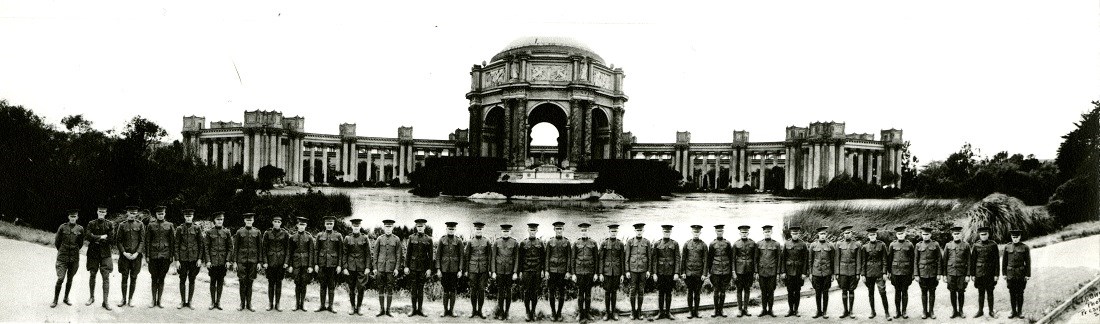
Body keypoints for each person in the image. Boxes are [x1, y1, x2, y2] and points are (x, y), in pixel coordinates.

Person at [52, 209, 84, 308]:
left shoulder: (80, 229)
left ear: (77, 217)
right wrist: (62, 250)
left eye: (75, 217)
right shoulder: (62, 227)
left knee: (70, 279)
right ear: (68, 217)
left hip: (74, 258)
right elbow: (57, 242)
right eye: (71, 216)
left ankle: (66, 298)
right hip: (62, 257)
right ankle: (55, 300)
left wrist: (74, 250)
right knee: (60, 278)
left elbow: (80, 243)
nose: (73, 218)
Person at [84, 205, 113, 310]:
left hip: (105, 254)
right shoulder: (91, 223)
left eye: (103, 212)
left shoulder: (110, 224)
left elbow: (111, 239)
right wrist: (101, 237)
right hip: (93, 253)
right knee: (92, 274)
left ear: (106, 213)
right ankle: (91, 297)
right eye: (100, 211)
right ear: (97, 212)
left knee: (106, 276)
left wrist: (95, 238)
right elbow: (87, 236)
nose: (101, 213)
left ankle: (105, 301)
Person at [145, 205, 175, 308]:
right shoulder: (150, 226)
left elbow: (172, 242)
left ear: (165, 214)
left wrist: (171, 256)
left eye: (162, 214)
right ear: (156, 215)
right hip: (153, 256)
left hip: (165, 256)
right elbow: (147, 241)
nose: (160, 216)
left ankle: (160, 300)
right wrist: (147, 256)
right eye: (159, 214)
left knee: (162, 278)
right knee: (154, 278)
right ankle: (153, 300)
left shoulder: (170, 225)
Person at [372, 219, 403, 317]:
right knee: (380, 288)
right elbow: (375, 254)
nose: (388, 229)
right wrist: (375, 267)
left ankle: (388, 310)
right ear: (384, 228)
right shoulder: (379, 239)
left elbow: (399, 255)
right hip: (380, 268)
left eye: (390, 227)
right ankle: (381, 310)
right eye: (386, 227)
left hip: (391, 269)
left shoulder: (396, 239)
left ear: (392, 228)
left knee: (390, 288)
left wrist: (397, 269)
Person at [174, 209, 204, 309]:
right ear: (184, 217)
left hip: (194, 259)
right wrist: (177, 260)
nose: (188, 218)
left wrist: (200, 258)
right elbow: (176, 245)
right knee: (182, 279)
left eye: (190, 216)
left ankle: (190, 301)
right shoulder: (179, 229)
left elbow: (201, 244)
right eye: (186, 216)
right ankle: (182, 301)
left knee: (192, 279)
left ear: (192, 217)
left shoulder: (197, 228)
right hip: (182, 259)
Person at [116, 206, 144, 308]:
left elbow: (142, 240)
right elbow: (118, 241)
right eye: (131, 213)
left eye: (135, 213)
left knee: (133, 277)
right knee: (124, 277)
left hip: (136, 257)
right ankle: (123, 299)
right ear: (127, 213)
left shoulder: (140, 224)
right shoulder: (122, 225)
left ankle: (130, 299)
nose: (133, 215)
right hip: (125, 257)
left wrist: (137, 253)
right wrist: (124, 253)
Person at [203, 211, 232, 310]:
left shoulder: (227, 232)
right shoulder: (209, 232)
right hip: (213, 261)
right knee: (212, 282)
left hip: (223, 262)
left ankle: (218, 302)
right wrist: (208, 261)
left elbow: (230, 248)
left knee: (220, 282)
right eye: (218, 219)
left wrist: (228, 260)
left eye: (221, 219)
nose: (220, 221)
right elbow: (206, 248)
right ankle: (212, 302)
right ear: (214, 221)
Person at [860, 227, 891, 320]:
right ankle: (872, 311)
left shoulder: (882, 245)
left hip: (879, 273)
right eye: (870, 235)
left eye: (873, 235)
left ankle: (887, 313)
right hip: (869, 273)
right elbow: (863, 262)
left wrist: (885, 272)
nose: (872, 236)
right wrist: (863, 274)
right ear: (868, 236)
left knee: (882, 292)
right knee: (870, 293)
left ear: (876, 235)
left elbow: (885, 260)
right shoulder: (865, 247)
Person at [405, 218, 434, 317]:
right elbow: (408, 254)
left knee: (420, 289)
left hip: (423, 268)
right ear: (416, 227)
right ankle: (413, 309)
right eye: (418, 226)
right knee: (413, 289)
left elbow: (431, 256)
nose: (420, 228)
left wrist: (429, 268)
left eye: (422, 226)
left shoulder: (428, 239)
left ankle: (420, 309)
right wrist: (406, 266)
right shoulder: (411, 238)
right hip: (413, 267)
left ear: (424, 227)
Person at [234, 212, 262, 312]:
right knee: (242, 282)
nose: (249, 222)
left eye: (251, 220)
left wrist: (259, 262)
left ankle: (249, 304)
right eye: (247, 220)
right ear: (244, 221)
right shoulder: (239, 232)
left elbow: (260, 248)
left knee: (250, 282)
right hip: (241, 261)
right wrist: (235, 262)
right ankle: (242, 304)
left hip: (253, 261)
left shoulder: (257, 232)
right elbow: (236, 248)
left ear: (253, 221)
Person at [314, 215, 343, 313]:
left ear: (333, 224)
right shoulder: (319, 235)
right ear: (324, 224)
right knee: (322, 286)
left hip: (333, 265)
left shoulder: (338, 236)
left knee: (331, 286)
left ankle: (331, 306)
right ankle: (322, 305)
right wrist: (316, 264)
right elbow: (316, 250)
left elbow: (340, 252)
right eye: (327, 224)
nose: (329, 225)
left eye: (331, 224)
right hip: (322, 265)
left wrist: (339, 265)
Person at [342, 218, 371, 315]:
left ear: (360, 226)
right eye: (354, 226)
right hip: (350, 268)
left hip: (361, 268)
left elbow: (368, 254)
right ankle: (352, 307)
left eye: (357, 226)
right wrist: (345, 267)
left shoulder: (365, 238)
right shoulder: (347, 238)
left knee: (361, 288)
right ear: (352, 226)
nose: (356, 228)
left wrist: (367, 267)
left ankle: (359, 307)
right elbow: (344, 254)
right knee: (351, 288)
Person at [571, 223, 599, 321]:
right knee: (580, 295)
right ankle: (580, 313)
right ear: (580, 231)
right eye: (582, 231)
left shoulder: (593, 243)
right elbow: (573, 259)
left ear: (588, 231)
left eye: (585, 230)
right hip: (579, 273)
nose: (584, 232)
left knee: (588, 294)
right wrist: (573, 273)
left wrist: (595, 273)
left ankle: (587, 313)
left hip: (589, 272)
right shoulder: (576, 243)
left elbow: (596, 259)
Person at [518, 223, 546, 322]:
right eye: (531, 230)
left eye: (534, 230)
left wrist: (543, 270)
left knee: (534, 292)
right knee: (526, 292)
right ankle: (527, 312)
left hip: (537, 271)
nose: (532, 232)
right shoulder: (523, 243)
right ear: (528, 231)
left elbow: (543, 258)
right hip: (526, 271)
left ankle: (533, 312)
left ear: (537, 231)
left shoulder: (541, 243)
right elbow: (520, 259)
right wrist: (520, 271)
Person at [464, 221, 492, 319]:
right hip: (472, 270)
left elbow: (489, 256)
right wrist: (466, 270)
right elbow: (466, 257)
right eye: (477, 229)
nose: (478, 231)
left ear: (482, 230)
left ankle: (480, 310)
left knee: (481, 290)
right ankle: (473, 310)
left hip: (483, 270)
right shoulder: (470, 242)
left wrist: (489, 270)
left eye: (480, 229)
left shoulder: (487, 241)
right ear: (475, 230)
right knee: (473, 290)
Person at [262, 216, 290, 311]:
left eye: (278, 222)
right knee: (271, 283)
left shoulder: (285, 233)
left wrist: (286, 262)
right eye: (275, 221)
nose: (277, 223)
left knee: (279, 283)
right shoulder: (267, 233)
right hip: (270, 262)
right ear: (272, 222)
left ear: (281, 223)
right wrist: (265, 262)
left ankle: (278, 304)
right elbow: (264, 249)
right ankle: (270, 304)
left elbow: (287, 249)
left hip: (281, 263)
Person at [970, 226, 999, 318]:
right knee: (980, 292)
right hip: (979, 273)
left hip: (990, 273)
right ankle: (980, 311)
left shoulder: (993, 245)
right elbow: (973, 261)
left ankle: (991, 311)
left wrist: (996, 274)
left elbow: (997, 261)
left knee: (990, 292)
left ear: (988, 234)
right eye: (982, 235)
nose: (983, 236)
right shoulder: (976, 245)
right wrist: (973, 274)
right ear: (979, 235)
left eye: (985, 234)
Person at [436, 221, 464, 317]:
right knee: (445, 289)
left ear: (455, 230)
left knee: (452, 290)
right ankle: (444, 310)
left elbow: (461, 256)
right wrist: (438, 269)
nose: (451, 231)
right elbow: (438, 255)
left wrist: (460, 270)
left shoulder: (459, 241)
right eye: (449, 229)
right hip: (444, 269)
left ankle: (451, 310)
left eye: (453, 229)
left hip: (454, 270)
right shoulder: (442, 240)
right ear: (446, 229)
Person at [625, 223, 652, 320]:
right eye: (637, 230)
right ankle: (633, 311)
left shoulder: (647, 242)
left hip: (643, 270)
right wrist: (627, 270)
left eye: (641, 230)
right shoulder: (630, 242)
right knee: (632, 291)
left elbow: (649, 258)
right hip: (632, 270)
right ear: (635, 231)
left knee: (641, 291)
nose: (639, 232)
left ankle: (639, 311)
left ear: (643, 231)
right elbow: (627, 257)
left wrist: (649, 270)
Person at [545, 221, 571, 321]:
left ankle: (559, 313)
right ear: (554, 230)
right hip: (552, 271)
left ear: (563, 229)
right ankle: (553, 312)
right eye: (557, 229)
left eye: (560, 229)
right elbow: (547, 257)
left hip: (562, 272)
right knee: (551, 292)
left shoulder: (567, 242)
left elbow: (569, 257)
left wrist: (568, 271)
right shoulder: (550, 242)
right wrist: (546, 270)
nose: (559, 231)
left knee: (561, 292)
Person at [887, 226, 915, 319]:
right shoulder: (892, 245)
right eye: (899, 234)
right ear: (896, 235)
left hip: (906, 272)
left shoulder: (909, 245)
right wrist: (889, 272)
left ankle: (904, 311)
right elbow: (889, 259)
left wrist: (912, 273)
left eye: (902, 233)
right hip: (895, 272)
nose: (901, 235)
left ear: (905, 234)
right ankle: (897, 311)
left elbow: (912, 260)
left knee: (905, 292)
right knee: (897, 292)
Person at [652, 224, 680, 320]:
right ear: (662, 232)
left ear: (670, 232)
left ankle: (668, 312)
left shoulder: (675, 244)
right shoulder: (657, 244)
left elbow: (677, 259)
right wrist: (654, 273)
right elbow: (654, 260)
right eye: (665, 232)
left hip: (670, 273)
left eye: (668, 232)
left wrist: (676, 273)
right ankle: (660, 313)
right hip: (660, 273)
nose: (666, 233)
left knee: (669, 293)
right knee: (660, 293)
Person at [287, 217, 315, 312]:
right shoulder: (292, 237)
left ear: (306, 226)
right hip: (296, 263)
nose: (301, 226)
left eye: (303, 225)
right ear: (297, 225)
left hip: (306, 264)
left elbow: (311, 252)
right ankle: (296, 304)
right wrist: (290, 265)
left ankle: (302, 304)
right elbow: (289, 252)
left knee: (304, 284)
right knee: (297, 283)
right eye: (300, 224)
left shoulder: (309, 237)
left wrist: (311, 266)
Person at [492, 224, 519, 320]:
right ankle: (500, 312)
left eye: (507, 231)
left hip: (509, 272)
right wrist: (494, 271)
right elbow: (493, 258)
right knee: (500, 293)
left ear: (510, 232)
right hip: (499, 271)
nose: (505, 233)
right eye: (504, 231)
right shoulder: (497, 242)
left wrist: (515, 272)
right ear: (501, 232)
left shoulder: (514, 243)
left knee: (508, 292)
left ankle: (507, 312)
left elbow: (516, 258)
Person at [943, 226, 971, 319]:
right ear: (952, 235)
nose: (956, 235)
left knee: (961, 292)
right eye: (955, 234)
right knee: (952, 292)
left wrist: (968, 275)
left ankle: (961, 310)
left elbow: (969, 261)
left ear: (961, 234)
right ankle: (954, 310)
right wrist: (944, 275)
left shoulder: (966, 245)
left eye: (958, 234)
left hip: (961, 273)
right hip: (951, 273)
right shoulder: (948, 245)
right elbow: (944, 261)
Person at [915, 227, 943, 319]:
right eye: (923, 234)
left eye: (927, 234)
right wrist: (916, 274)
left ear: (930, 235)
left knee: (932, 292)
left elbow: (939, 259)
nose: (925, 236)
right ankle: (924, 311)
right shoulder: (918, 245)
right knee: (923, 292)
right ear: (921, 235)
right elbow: (916, 260)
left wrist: (939, 273)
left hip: (933, 272)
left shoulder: (935, 244)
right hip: (922, 272)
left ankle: (931, 311)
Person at [781, 226, 809, 317]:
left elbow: (805, 260)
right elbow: (783, 259)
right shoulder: (786, 243)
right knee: (789, 291)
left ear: (798, 234)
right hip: (789, 272)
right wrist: (783, 272)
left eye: (796, 233)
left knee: (797, 291)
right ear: (791, 234)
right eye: (793, 234)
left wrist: (804, 273)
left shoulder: (803, 244)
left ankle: (796, 310)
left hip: (799, 272)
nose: (795, 235)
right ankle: (790, 310)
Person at [835, 225, 862, 318]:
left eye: (849, 233)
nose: (847, 234)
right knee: (843, 290)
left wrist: (858, 273)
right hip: (842, 271)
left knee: (851, 290)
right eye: (845, 233)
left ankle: (851, 311)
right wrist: (837, 273)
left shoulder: (857, 244)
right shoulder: (839, 244)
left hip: (853, 271)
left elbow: (858, 259)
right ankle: (845, 310)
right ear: (843, 234)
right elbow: (837, 259)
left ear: (852, 233)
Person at [681, 224, 708, 318]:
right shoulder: (687, 244)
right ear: (692, 232)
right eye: (694, 232)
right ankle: (690, 311)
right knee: (689, 293)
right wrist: (683, 272)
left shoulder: (704, 245)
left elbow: (705, 261)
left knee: (697, 293)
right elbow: (683, 259)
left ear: (700, 233)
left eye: (698, 232)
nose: (696, 234)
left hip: (699, 274)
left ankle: (696, 311)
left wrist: (704, 273)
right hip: (688, 273)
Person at [1003, 229, 1031, 319]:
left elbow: (1028, 262)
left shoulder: (1025, 247)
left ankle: (1019, 311)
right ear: (1011, 237)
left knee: (1020, 293)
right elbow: (1004, 262)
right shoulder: (1007, 247)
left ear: (1020, 237)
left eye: (1017, 237)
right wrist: (1004, 273)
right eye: (1013, 237)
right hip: (1010, 274)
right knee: (1012, 293)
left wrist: (1027, 274)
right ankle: (1013, 311)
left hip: (1021, 273)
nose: (1015, 239)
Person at [808, 226, 835, 319]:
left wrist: (833, 274)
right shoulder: (813, 245)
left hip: (827, 273)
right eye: (821, 234)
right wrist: (810, 273)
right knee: (817, 292)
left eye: (824, 234)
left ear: (826, 234)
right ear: (818, 235)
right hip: (816, 273)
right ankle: (818, 311)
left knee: (826, 292)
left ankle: (825, 311)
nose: (822, 236)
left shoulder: (830, 246)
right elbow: (810, 260)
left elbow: (833, 260)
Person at [706, 224, 732, 318]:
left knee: (723, 291)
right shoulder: (712, 244)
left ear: (723, 232)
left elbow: (730, 257)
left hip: (726, 271)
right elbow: (710, 259)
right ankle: (715, 309)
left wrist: (731, 271)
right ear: (715, 232)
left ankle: (721, 309)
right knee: (716, 291)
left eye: (721, 231)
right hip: (715, 271)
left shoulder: (727, 243)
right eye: (718, 231)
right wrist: (709, 272)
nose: (719, 232)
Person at [600, 224, 625, 321]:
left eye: (615, 231)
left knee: (614, 292)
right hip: (606, 272)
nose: (613, 233)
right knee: (607, 292)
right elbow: (601, 259)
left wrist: (622, 274)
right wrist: (601, 273)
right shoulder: (604, 244)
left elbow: (622, 260)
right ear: (609, 232)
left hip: (616, 272)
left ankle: (614, 312)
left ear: (617, 232)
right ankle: (607, 312)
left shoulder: (620, 244)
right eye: (612, 231)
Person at [755, 225, 781, 317]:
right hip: (762, 272)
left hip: (772, 272)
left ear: (771, 232)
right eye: (765, 232)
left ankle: (770, 310)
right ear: (763, 233)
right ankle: (763, 310)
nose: (767, 233)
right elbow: (756, 259)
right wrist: (756, 272)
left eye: (769, 232)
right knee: (763, 292)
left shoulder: (776, 244)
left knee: (771, 291)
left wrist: (778, 273)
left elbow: (779, 260)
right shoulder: (759, 244)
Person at [732, 225, 756, 317]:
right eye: (742, 232)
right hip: (739, 271)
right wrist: (733, 271)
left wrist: (755, 271)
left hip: (749, 270)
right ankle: (739, 309)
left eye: (746, 232)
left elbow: (755, 258)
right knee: (739, 289)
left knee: (747, 289)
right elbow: (733, 259)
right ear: (740, 233)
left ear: (748, 233)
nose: (744, 234)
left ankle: (746, 309)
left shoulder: (753, 243)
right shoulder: (736, 244)